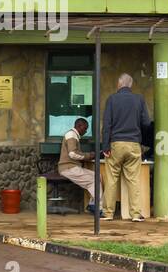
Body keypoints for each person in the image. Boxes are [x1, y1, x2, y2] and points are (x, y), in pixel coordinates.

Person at [99, 72, 151, 221]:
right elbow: (146, 123)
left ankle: (108, 213)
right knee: (133, 180)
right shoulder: (139, 100)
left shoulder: (112, 99)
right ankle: (135, 214)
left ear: (119, 84)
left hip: (115, 144)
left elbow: (107, 125)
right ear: (131, 85)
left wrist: (105, 147)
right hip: (134, 144)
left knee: (112, 179)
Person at [57, 117, 99, 210]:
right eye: (85, 128)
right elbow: (73, 154)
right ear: (79, 126)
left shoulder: (73, 135)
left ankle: (93, 204)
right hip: (68, 168)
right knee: (94, 180)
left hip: (70, 167)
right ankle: (98, 207)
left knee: (98, 176)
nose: (86, 131)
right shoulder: (71, 135)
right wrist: (88, 156)